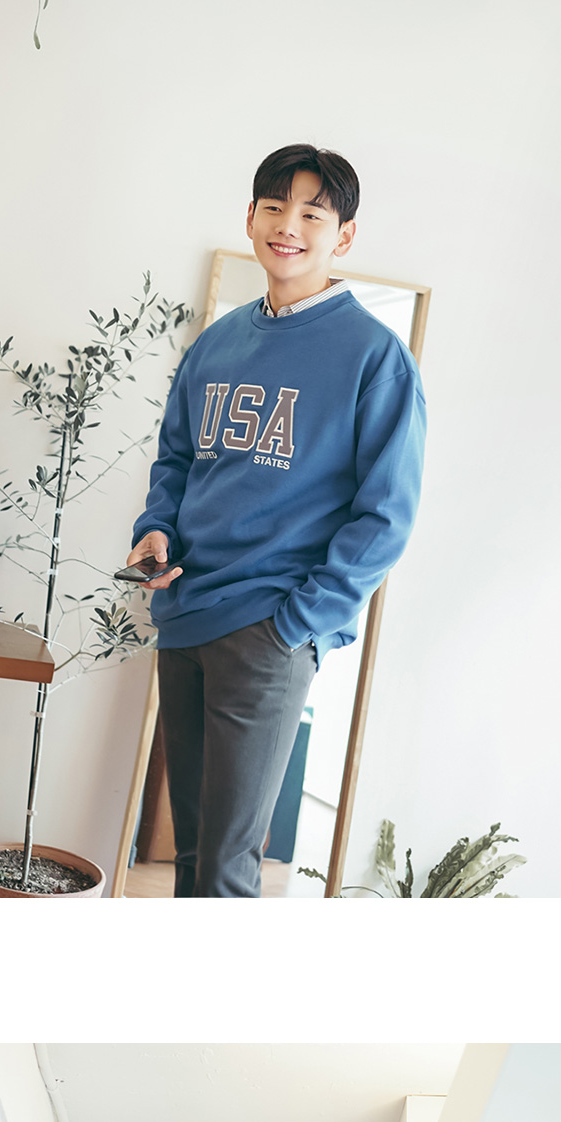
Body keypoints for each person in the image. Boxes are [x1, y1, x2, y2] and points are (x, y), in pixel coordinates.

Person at [126, 142, 426, 898]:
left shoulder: (374, 357)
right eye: (274, 207)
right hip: (186, 614)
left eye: (312, 214)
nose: (288, 225)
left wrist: (296, 625)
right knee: (189, 854)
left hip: (269, 632)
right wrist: (156, 529)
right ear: (251, 219)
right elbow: (177, 460)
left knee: (227, 865)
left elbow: (386, 515)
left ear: (343, 236)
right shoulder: (219, 341)